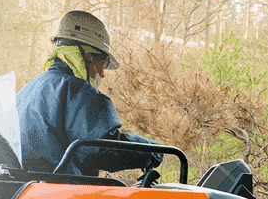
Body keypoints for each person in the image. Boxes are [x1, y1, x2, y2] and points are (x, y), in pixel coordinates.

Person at [17, 10, 162, 175]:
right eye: (103, 63)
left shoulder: (30, 88)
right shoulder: (77, 90)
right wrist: (152, 151)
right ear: (87, 56)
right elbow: (105, 149)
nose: (102, 73)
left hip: (30, 189)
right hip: (63, 192)